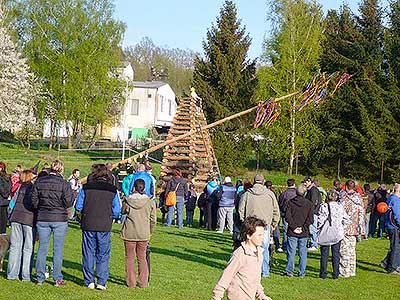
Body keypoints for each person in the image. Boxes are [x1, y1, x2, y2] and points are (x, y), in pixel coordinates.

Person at [75, 164, 121, 290]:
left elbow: (78, 206)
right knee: (103, 253)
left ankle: (89, 280)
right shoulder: (112, 190)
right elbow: (117, 209)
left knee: (88, 252)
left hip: (88, 222)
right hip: (105, 224)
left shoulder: (86, 188)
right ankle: (101, 281)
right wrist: (111, 216)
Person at [31, 160, 74, 286]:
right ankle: (57, 278)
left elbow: (33, 199)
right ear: (61, 170)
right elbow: (69, 202)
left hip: (43, 217)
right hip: (59, 218)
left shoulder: (40, 182)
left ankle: (40, 277)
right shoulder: (64, 184)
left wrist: (41, 207)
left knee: (42, 249)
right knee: (58, 250)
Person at [212, 216, 272, 300]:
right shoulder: (240, 254)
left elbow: (255, 279)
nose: (262, 238)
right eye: (259, 235)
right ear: (249, 236)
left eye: (263, 235)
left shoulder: (259, 253)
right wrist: (216, 297)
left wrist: (261, 295)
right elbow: (225, 277)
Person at [238, 174, 280, 278]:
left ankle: (249, 271)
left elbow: (240, 210)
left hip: (251, 225)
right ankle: (264, 271)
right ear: (263, 181)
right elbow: (276, 210)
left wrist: (245, 222)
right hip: (265, 226)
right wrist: (274, 224)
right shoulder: (270, 194)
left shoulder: (247, 194)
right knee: (264, 249)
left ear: (254, 181)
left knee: (249, 248)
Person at [121, 179, 156, 288]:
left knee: (129, 258)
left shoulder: (127, 200)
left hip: (129, 232)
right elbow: (153, 219)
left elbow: (122, 211)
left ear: (134, 187)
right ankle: (143, 282)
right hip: (143, 233)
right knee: (142, 258)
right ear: (144, 188)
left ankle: (131, 282)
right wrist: (150, 231)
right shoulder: (150, 202)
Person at [7, 170, 35, 281]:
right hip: (28, 219)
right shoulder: (33, 188)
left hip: (15, 218)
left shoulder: (19, 187)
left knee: (15, 247)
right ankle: (25, 275)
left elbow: (11, 204)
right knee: (27, 248)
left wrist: (10, 215)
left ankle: (12, 274)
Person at [284, 184, 314, 278]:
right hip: (302, 231)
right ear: (305, 193)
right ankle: (301, 272)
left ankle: (290, 271)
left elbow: (287, 216)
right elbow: (311, 219)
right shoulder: (308, 204)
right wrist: (301, 228)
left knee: (291, 252)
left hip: (295, 231)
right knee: (302, 253)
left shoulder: (290, 203)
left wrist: (294, 227)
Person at [317, 190, 347, 279]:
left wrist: (318, 229)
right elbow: (346, 219)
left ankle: (323, 273)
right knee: (336, 254)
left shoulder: (324, 207)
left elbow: (321, 220)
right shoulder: (340, 207)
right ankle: (335, 273)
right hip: (338, 232)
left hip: (327, 231)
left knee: (324, 254)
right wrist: (342, 227)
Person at [338, 180, 365, 278]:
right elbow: (362, 213)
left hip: (345, 227)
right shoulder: (359, 198)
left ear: (346, 187)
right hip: (355, 228)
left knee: (344, 250)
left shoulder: (343, 198)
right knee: (352, 250)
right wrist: (361, 228)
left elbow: (340, 212)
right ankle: (352, 270)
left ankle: (344, 272)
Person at [381, 183, 400, 274]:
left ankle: (386, 263)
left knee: (394, 246)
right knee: (395, 247)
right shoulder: (395, 200)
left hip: (390, 224)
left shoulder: (390, 198)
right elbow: (397, 215)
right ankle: (392, 268)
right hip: (394, 226)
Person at [303, 176, 322, 251]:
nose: (304, 184)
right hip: (312, 211)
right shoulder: (310, 189)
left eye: (305, 182)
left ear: (309, 181)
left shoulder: (313, 190)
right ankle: (311, 243)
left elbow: (314, 202)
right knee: (310, 228)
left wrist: (310, 211)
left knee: (312, 229)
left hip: (313, 212)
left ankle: (314, 244)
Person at [278, 179, 296, 252]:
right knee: (294, 229)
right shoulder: (297, 192)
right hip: (295, 213)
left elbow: (280, 203)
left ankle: (285, 245)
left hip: (285, 214)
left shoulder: (284, 194)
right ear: (294, 184)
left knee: (286, 230)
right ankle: (293, 245)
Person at [0, 162, 12, 234]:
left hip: (2, 199)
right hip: (6, 200)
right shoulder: (7, 176)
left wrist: (5, 195)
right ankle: (3, 232)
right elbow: (10, 186)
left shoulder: (1, 177)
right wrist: (8, 195)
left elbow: (1, 188)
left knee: (2, 217)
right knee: (4, 217)